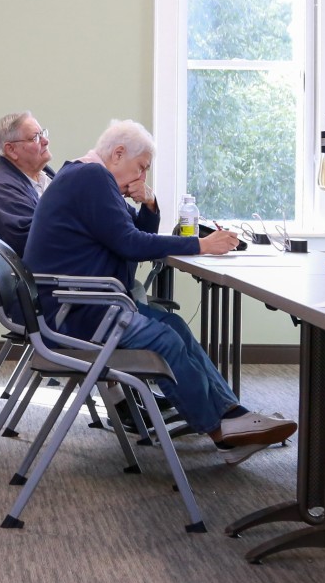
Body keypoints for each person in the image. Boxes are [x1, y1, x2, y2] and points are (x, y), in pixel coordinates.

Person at [22, 120, 297, 451]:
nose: (141, 178)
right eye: (141, 168)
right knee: (165, 338)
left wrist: (149, 204)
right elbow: (130, 244)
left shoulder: (88, 176)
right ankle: (219, 430)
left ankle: (232, 413)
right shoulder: (90, 178)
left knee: (175, 325)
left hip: (88, 305)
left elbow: (132, 233)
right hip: (79, 313)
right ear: (118, 153)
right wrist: (200, 244)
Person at [0, 111, 54, 257]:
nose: (45, 141)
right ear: (11, 150)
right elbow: (40, 244)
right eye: (35, 137)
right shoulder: (2, 191)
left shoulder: (45, 175)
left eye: (43, 134)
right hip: (47, 274)